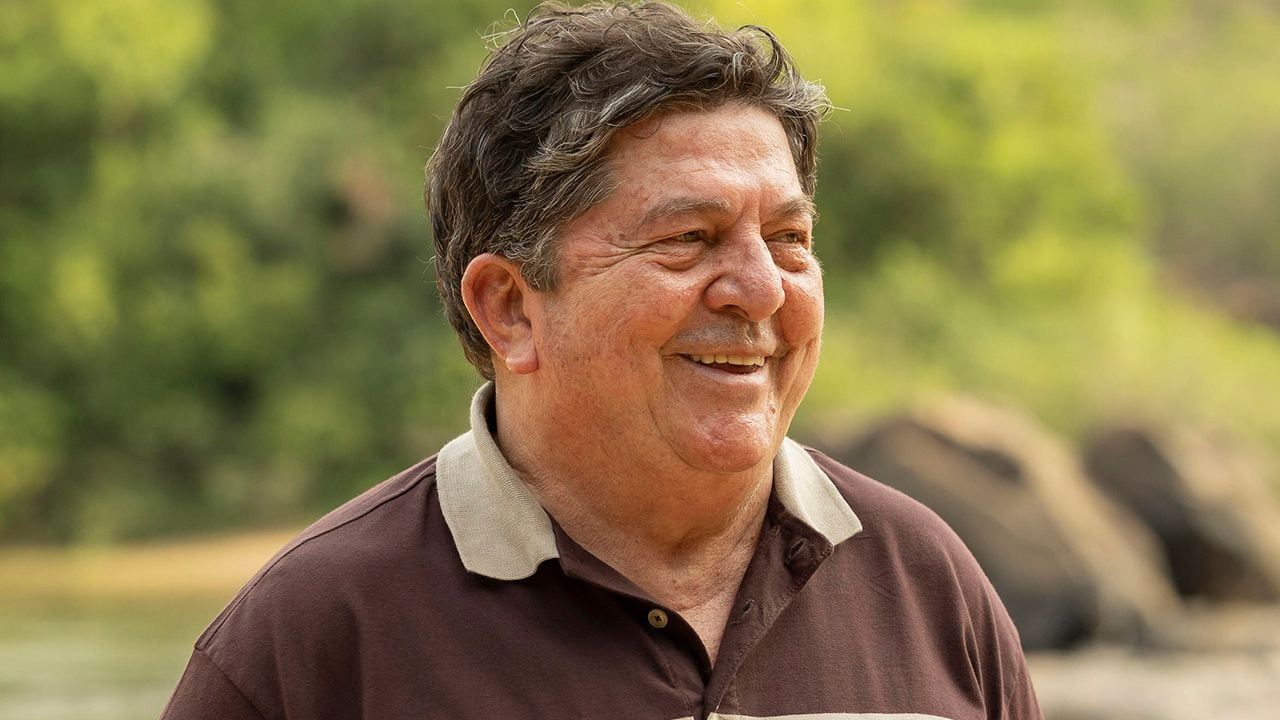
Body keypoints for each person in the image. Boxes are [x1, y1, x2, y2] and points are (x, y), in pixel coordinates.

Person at [161, 2, 1042, 718]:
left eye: (788, 239)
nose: (761, 290)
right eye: (689, 238)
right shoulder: (314, 638)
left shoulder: (926, 583)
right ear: (510, 309)